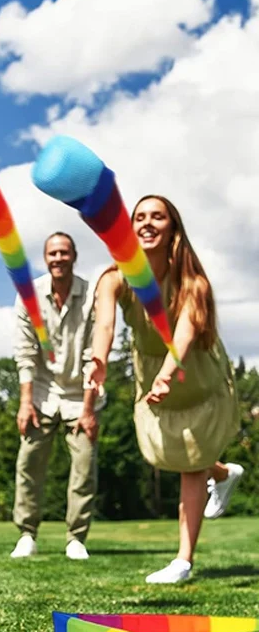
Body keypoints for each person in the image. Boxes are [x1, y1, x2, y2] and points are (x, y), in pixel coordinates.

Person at [88, 195, 242, 584]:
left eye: (158, 216)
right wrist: (99, 360)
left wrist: (169, 373)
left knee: (190, 463)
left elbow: (187, 332)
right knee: (173, 454)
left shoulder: (192, 281)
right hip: (151, 369)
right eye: (139, 217)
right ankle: (222, 473)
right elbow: (105, 326)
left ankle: (183, 561)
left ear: (173, 227)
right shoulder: (114, 277)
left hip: (196, 371)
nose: (147, 223)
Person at [11, 232, 103, 561]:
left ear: (74, 256)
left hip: (83, 394)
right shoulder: (29, 296)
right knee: (29, 463)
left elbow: (96, 354)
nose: (58, 258)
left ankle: (76, 538)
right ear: (45, 258)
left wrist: (89, 410)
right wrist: (25, 403)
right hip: (41, 391)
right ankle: (27, 535)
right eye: (52, 253)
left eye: (64, 252)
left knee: (83, 466)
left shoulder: (93, 294)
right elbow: (25, 353)